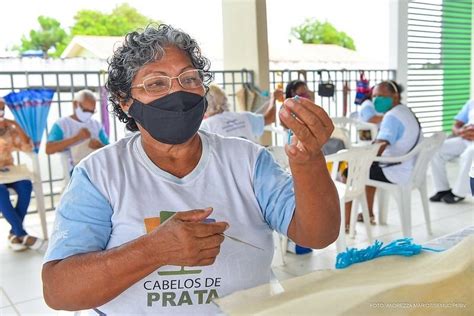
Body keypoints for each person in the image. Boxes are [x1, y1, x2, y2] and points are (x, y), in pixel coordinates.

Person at [42, 24, 340, 314]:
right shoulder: (100, 174)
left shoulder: (247, 160)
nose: (179, 94)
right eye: (157, 83)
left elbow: (318, 235)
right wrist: (154, 250)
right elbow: (59, 290)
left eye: (189, 79)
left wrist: (308, 160)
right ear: (124, 101)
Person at [357, 80, 421, 225]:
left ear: (395, 96)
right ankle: (368, 212)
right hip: (410, 166)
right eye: (374, 96)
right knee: (368, 168)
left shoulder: (391, 117)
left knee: (350, 172)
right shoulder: (404, 110)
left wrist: (362, 159)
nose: (377, 100)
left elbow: (379, 147)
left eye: (381, 96)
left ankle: (351, 221)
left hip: (396, 170)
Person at [0, 98, 43, 251]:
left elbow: (27, 146)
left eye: (2, 109)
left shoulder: (8, 129)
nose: (1, 112)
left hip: (9, 172)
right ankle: (22, 234)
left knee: (26, 185)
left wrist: (15, 124)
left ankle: (14, 233)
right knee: (1, 192)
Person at [45, 89, 110, 171]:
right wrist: (77, 138)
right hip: (75, 169)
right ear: (75, 104)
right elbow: (49, 149)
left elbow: (109, 149)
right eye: (85, 110)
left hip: (97, 166)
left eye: (92, 111)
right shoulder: (62, 124)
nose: (88, 114)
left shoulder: (96, 125)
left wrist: (100, 146)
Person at [200, 84, 280, 143]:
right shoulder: (245, 117)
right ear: (224, 98)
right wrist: (274, 98)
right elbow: (270, 118)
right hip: (254, 161)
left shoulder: (205, 127)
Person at [430, 99, 474, 203]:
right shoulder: (471, 102)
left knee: (470, 153)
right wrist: (460, 131)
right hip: (465, 138)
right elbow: (456, 125)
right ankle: (442, 189)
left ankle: (459, 193)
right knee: (436, 149)